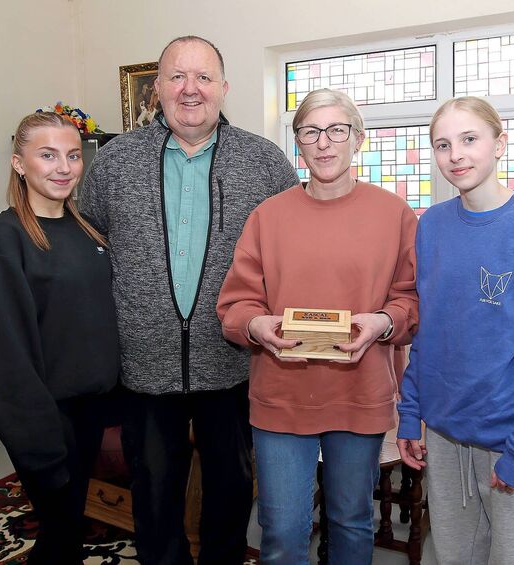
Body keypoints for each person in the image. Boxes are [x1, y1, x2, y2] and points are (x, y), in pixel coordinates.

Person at [80, 36, 300, 565]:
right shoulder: (114, 162)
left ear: (224, 87)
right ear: (157, 88)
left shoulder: (265, 163)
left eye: (203, 77)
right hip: (144, 369)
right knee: (155, 497)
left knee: (230, 490)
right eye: (177, 76)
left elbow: (292, 252)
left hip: (232, 365)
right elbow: (89, 243)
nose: (190, 89)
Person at [216, 88, 418, 565]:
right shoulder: (268, 216)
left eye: (336, 130)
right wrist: (257, 325)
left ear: (358, 139)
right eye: (311, 132)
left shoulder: (394, 214)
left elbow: (410, 299)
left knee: (351, 522)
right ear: (298, 143)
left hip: (359, 393)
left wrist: (384, 321)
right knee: (283, 531)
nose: (324, 143)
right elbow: (235, 303)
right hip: (282, 395)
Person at [396, 96, 514, 565]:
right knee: (451, 557)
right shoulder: (431, 226)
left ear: (499, 144)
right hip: (444, 437)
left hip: (511, 439)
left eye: (469, 139)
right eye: (443, 144)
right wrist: (411, 413)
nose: (455, 155)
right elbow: (429, 333)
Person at [0, 111, 120, 565]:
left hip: (90, 411)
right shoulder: (3, 240)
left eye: (73, 155)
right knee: (59, 535)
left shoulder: (86, 229)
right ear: (19, 163)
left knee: (68, 530)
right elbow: (4, 358)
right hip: (47, 420)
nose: (64, 168)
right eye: (48, 155)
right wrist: (40, 445)